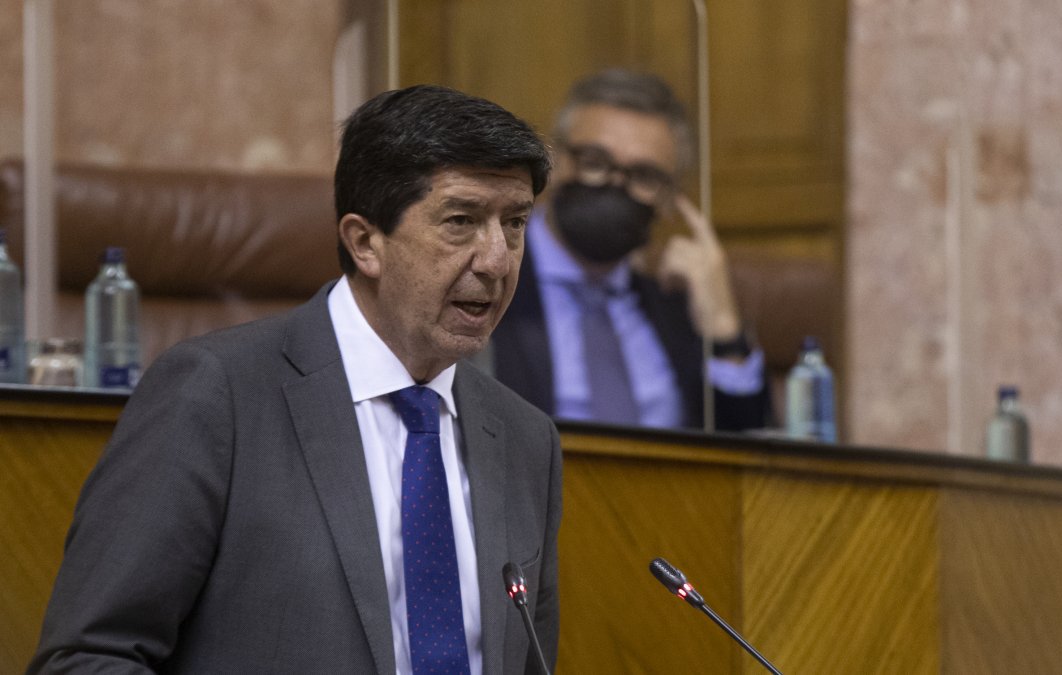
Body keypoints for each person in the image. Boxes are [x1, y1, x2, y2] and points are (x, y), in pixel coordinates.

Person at [28, 85, 560, 675]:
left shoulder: (525, 438)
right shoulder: (215, 395)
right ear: (365, 242)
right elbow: (86, 658)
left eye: (514, 223)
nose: (497, 259)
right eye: (461, 221)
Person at [488, 69, 768, 431]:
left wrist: (724, 329)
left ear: (668, 198)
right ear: (553, 164)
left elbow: (750, 454)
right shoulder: (490, 278)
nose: (614, 185)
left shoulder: (677, 310)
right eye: (594, 162)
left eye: (644, 176)